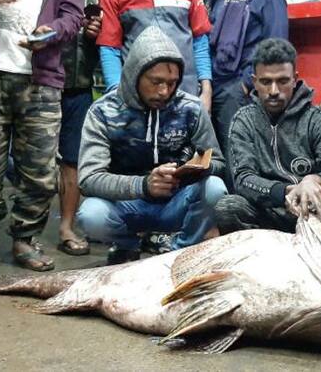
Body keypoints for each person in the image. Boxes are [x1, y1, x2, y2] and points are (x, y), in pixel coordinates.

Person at [77, 26, 227, 265]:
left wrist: (187, 169)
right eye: (155, 81)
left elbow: (218, 162)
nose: (164, 91)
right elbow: (88, 179)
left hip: (175, 200)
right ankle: (127, 246)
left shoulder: (191, 108)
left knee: (215, 188)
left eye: (172, 82)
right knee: (91, 214)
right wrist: (144, 185)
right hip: (127, 204)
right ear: (135, 74)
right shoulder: (103, 112)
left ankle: (180, 252)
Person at [0, 0, 83, 276]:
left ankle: (25, 239)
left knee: (40, 171)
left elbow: (73, 16)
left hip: (41, 81)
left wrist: (53, 32)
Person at [215, 38, 321, 236]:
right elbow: (243, 179)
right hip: (268, 214)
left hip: (314, 212)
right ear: (254, 81)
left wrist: (315, 181)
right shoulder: (244, 120)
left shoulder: (318, 119)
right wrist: (286, 192)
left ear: (295, 79)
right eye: (265, 82)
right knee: (228, 208)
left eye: (282, 81)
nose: (273, 91)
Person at [208, 0, 287, 190]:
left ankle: (240, 219)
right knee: (215, 163)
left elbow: (277, 45)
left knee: (239, 164)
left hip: (239, 89)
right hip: (213, 87)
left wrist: (246, 83)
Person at [96, 0, 213, 112]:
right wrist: (116, 96)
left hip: (186, 97)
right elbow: (110, 48)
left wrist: (206, 90)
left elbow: (200, 41)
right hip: (137, 103)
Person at [56, 0, 107, 256]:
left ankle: (66, 227)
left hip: (79, 80)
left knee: (73, 158)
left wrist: (94, 32)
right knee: (29, 161)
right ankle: (21, 235)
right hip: (36, 75)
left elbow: (110, 36)